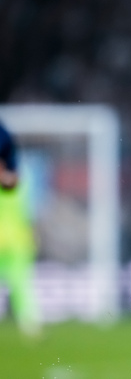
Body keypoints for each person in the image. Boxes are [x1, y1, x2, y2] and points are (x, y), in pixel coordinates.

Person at [0, 121, 40, 337]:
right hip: (15, 240)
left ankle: (30, 325)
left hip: (16, 242)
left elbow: (29, 211)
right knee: (21, 285)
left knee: (21, 285)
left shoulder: (18, 182)